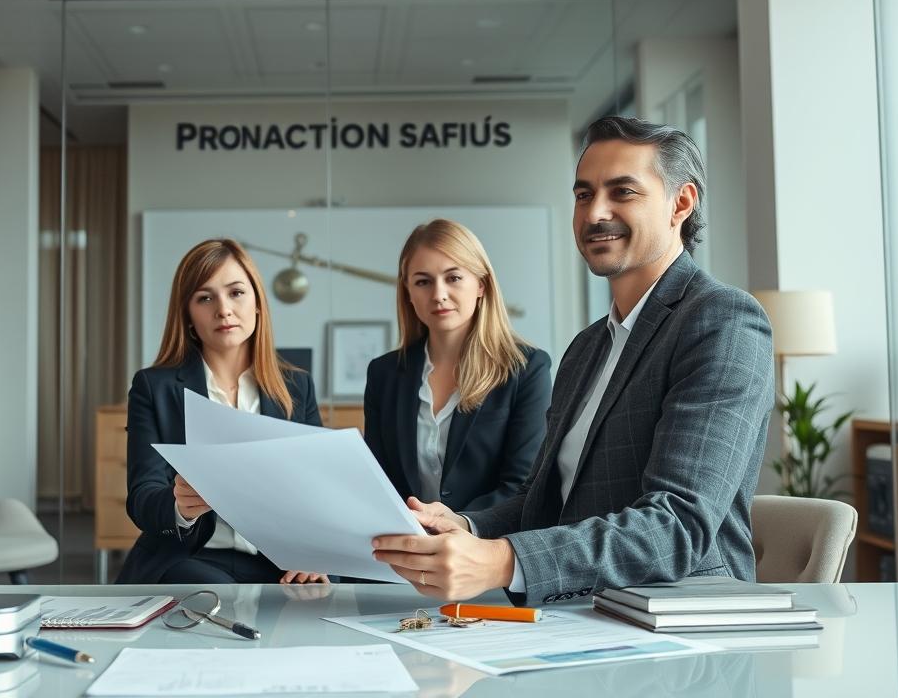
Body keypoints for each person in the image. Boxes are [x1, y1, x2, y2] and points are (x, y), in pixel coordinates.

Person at [371, 116, 774, 605]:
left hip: (679, 616)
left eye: (623, 192)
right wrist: (466, 525)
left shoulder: (721, 321)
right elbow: (543, 500)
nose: (595, 212)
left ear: (681, 203)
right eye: (584, 195)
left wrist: (502, 560)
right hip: (580, 610)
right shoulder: (587, 347)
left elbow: (677, 525)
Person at [117, 238, 328, 585]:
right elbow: (142, 496)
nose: (224, 309)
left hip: (278, 560)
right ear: (187, 314)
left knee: (320, 597)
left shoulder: (296, 386)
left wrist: (315, 554)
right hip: (189, 556)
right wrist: (179, 506)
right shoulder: (153, 387)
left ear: (258, 304)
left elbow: (316, 490)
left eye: (236, 293)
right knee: (219, 598)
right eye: (205, 298)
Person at [363, 218, 552, 514]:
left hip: (483, 538)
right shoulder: (383, 374)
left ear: (481, 285)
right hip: (403, 538)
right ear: (408, 293)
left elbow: (522, 485)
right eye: (423, 282)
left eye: (453, 278)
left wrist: (458, 524)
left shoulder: (527, 369)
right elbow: (377, 481)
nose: (438, 294)